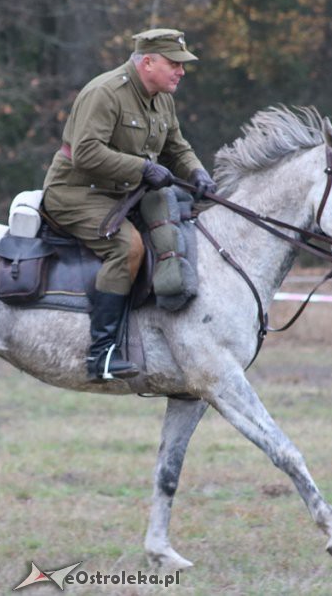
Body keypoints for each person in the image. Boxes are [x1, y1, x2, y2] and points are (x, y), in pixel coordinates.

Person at [42, 28, 218, 382]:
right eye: (174, 63)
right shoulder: (105, 92)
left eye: (182, 64)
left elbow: (176, 146)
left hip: (122, 194)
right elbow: (86, 153)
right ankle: (101, 354)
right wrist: (143, 168)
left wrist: (198, 173)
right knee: (128, 247)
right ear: (148, 62)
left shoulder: (162, 97)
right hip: (77, 193)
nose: (181, 71)